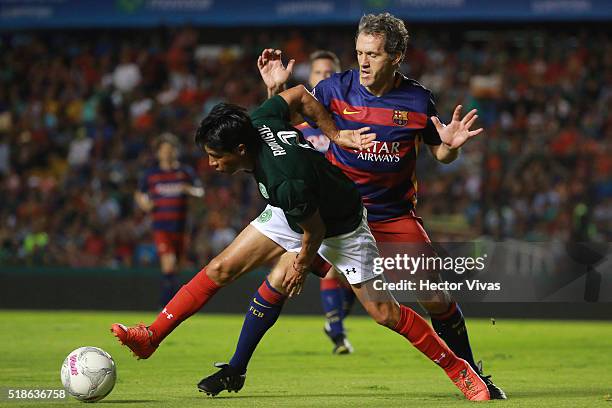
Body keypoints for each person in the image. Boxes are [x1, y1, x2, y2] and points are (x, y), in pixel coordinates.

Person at [111, 84, 490, 401]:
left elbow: (316, 231)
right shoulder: (258, 120)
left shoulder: (283, 179)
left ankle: (459, 369)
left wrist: (300, 264)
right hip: (294, 210)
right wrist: (335, 132)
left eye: (215, 157)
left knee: (385, 314)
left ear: (241, 151)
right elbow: (297, 95)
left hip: (339, 223)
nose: (211, 164)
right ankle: (151, 336)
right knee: (220, 267)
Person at [254, 12, 506, 399]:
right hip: (342, 214)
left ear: (397, 56)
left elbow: (439, 153)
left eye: (372, 54)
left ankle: (473, 373)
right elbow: (279, 129)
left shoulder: (419, 99)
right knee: (276, 271)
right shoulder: (333, 89)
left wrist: (449, 148)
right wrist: (275, 91)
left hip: (393, 216)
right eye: (359, 53)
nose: (364, 62)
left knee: (436, 298)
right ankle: (237, 365)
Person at [263, 48, 357, 354]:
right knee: (330, 269)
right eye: (318, 73)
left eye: (331, 73)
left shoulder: (348, 121)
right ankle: (337, 329)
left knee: (355, 281)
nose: (325, 78)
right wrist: (274, 90)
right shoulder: (295, 124)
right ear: (310, 79)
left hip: (352, 204)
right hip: (314, 211)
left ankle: (336, 320)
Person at [135, 133, 204, 305]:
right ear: (158, 152)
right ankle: (167, 304)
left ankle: (172, 302)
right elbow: (140, 193)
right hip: (161, 226)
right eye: (163, 150)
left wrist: (189, 191)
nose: (167, 153)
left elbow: (200, 191)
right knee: (169, 264)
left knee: (176, 267)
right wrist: (145, 204)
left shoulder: (185, 172)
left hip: (181, 227)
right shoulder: (151, 174)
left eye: (170, 149)